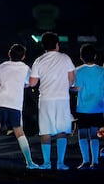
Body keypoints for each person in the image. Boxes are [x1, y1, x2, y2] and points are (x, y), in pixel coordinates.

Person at [0, 44, 39, 169]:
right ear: (23, 56)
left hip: (0, 101)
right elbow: (29, 84)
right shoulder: (25, 68)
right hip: (15, 103)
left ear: (9, 54)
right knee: (19, 131)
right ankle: (29, 162)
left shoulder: (2, 66)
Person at [29, 31, 75, 170]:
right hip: (62, 98)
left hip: (46, 99)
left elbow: (32, 83)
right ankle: (60, 163)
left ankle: (47, 163)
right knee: (62, 131)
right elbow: (71, 79)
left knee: (45, 131)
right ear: (57, 44)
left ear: (43, 45)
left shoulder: (39, 60)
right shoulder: (65, 58)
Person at [72, 43, 104, 170]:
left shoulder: (78, 70)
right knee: (95, 134)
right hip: (98, 107)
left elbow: (77, 88)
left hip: (83, 107)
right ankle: (95, 162)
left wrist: (69, 88)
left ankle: (85, 161)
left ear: (81, 57)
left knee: (83, 134)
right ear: (95, 56)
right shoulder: (102, 71)